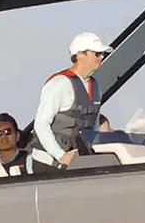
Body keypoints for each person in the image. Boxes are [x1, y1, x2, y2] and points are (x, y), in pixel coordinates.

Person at [31, 32, 110, 173]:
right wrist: (61, 156)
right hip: (49, 164)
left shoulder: (96, 86)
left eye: (102, 53)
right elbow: (41, 124)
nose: (101, 57)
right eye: (97, 54)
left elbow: (94, 125)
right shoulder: (59, 83)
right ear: (80, 55)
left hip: (78, 162)